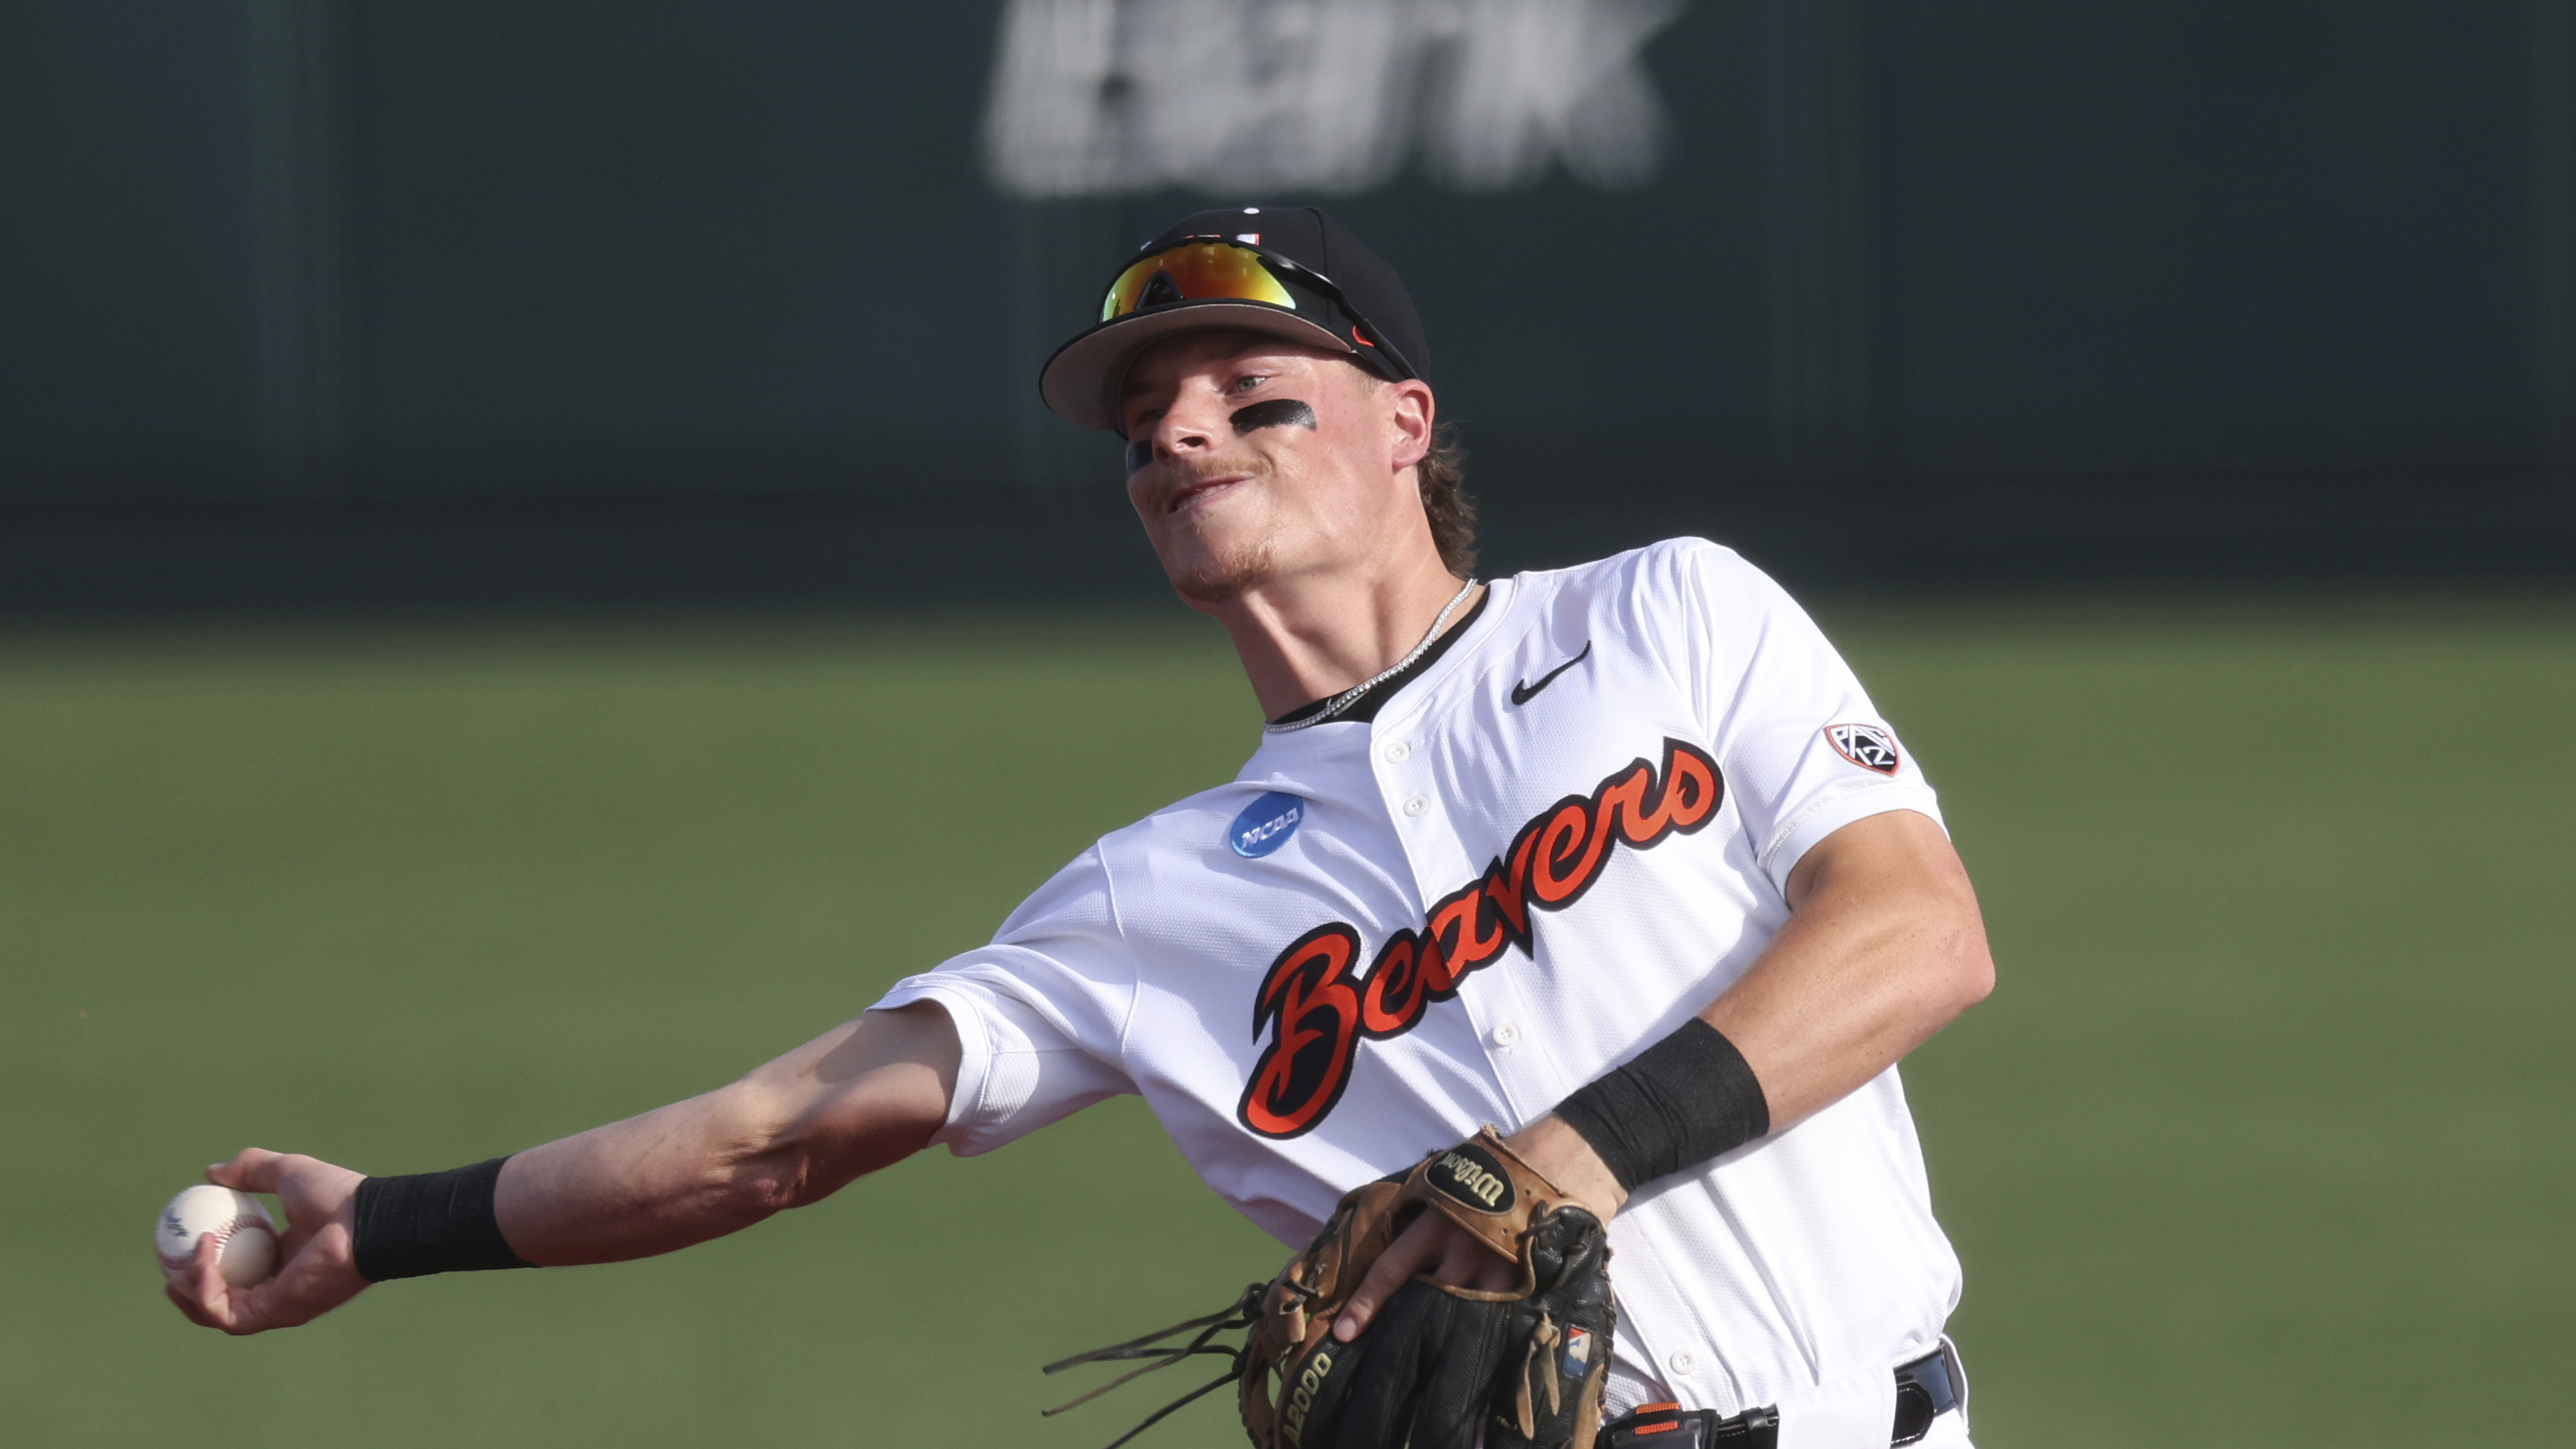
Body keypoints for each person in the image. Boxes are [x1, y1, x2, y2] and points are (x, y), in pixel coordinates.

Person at [169, 207, 1994, 1449]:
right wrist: (385, 1229)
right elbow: (767, 1140)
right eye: (1142, 419)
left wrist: (1568, 1156)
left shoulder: (1664, 615)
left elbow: (1916, 936)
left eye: (1247, 388)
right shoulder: (1151, 900)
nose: (1180, 430)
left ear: (1400, 423)